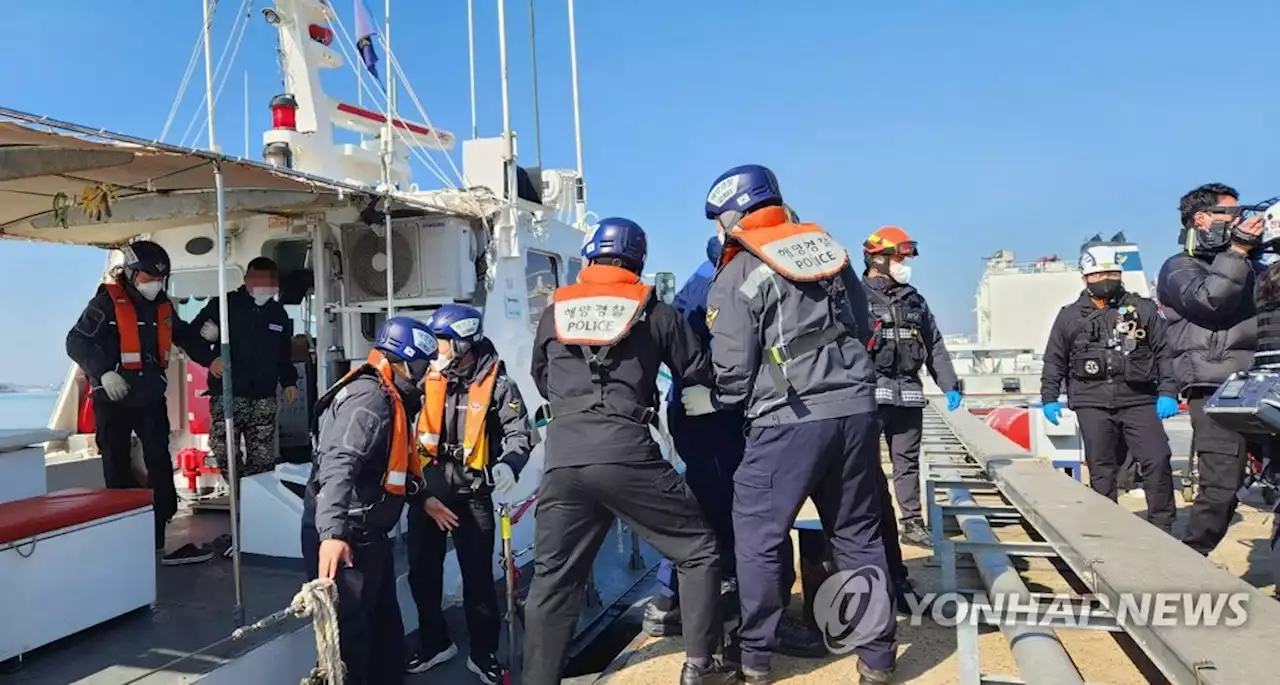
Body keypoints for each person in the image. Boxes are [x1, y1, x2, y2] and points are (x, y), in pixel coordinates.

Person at [692, 164, 896, 685]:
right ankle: (878, 659)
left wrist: (718, 398)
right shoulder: (824, 246)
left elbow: (733, 367)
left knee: (758, 535)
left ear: (735, 212)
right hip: (854, 410)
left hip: (788, 419)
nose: (719, 230)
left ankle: (756, 660)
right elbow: (862, 321)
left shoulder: (739, 267)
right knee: (857, 533)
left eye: (719, 219)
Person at [524, 218, 737, 685]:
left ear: (588, 256)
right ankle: (703, 667)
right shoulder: (653, 310)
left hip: (562, 458)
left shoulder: (554, 311)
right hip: (626, 453)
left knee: (553, 585)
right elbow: (698, 368)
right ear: (638, 259)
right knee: (699, 550)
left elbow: (541, 376)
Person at [644, 235, 825, 659]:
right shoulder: (737, 282)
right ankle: (767, 619)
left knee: (703, 507)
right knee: (758, 514)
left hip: (703, 414)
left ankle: (671, 603)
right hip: (719, 416)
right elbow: (756, 357)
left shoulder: (705, 279)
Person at [66, 240, 223, 566]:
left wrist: (207, 349)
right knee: (117, 464)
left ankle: (159, 539)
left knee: (160, 464)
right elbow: (76, 341)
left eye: (160, 280)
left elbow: (183, 336)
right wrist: (104, 372)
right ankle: (126, 539)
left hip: (149, 397)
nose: (155, 285)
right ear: (132, 274)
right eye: (149, 278)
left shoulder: (161, 305)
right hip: (113, 397)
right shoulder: (105, 305)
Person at [301, 316, 436, 685]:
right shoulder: (370, 399)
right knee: (351, 638)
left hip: (369, 535)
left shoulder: (387, 394)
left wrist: (422, 498)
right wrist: (332, 534)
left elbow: (386, 467)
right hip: (349, 535)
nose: (425, 375)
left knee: (384, 632)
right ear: (402, 361)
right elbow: (338, 463)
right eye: (422, 365)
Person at [404, 304, 533, 684]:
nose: (436, 349)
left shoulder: (499, 383)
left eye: (442, 342)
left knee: (478, 578)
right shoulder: (424, 377)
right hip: (429, 489)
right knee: (422, 574)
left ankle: (483, 653)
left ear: (462, 343)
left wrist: (510, 464)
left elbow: (519, 433)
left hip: (473, 491)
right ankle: (435, 642)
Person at [1040, 244, 1178, 532]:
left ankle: (1163, 527)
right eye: (1099, 273)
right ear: (1085, 278)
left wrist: (1167, 391)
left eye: (1112, 272)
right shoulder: (1069, 316)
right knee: (1101, 467)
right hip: (1091, 401)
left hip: (1139, 399)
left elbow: (1165, 352)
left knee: (1157, 458)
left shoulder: (1143, 309)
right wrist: (1049, 397)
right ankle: (1108, 527)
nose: (1107, 278)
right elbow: (1055, 358)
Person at [1157, 182, 1262, 554]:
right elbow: (1210, 302)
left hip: (1261, 385)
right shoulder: (1178, 268)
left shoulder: (1250, 264)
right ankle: (1191, 555)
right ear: (1201, 219)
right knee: (1221, 485)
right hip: (1215, 389)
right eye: (1232, 214)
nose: (1242, 221)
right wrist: (1237, 251)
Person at [861, 226, 963, 548]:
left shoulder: (914, 299)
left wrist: (949, 384)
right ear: (877, 259)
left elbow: (934, 344)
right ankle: (871, 523)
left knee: (907, 464)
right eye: (897, 258)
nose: (903, 265)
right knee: (864, 465)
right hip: (869, 395)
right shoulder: (856, 296)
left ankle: (912, 522)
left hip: (908, 394)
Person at [191, 257, 299, 486]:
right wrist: (210, 360)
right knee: (222, 447)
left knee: (262, 457)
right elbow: (191, 338)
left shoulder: (277, 313)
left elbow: (283, 354)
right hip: (229, 393)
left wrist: (289, 382)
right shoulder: (224, 306)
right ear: (246, 280)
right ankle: (239, 489)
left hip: (263, 396)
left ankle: (254, 499)